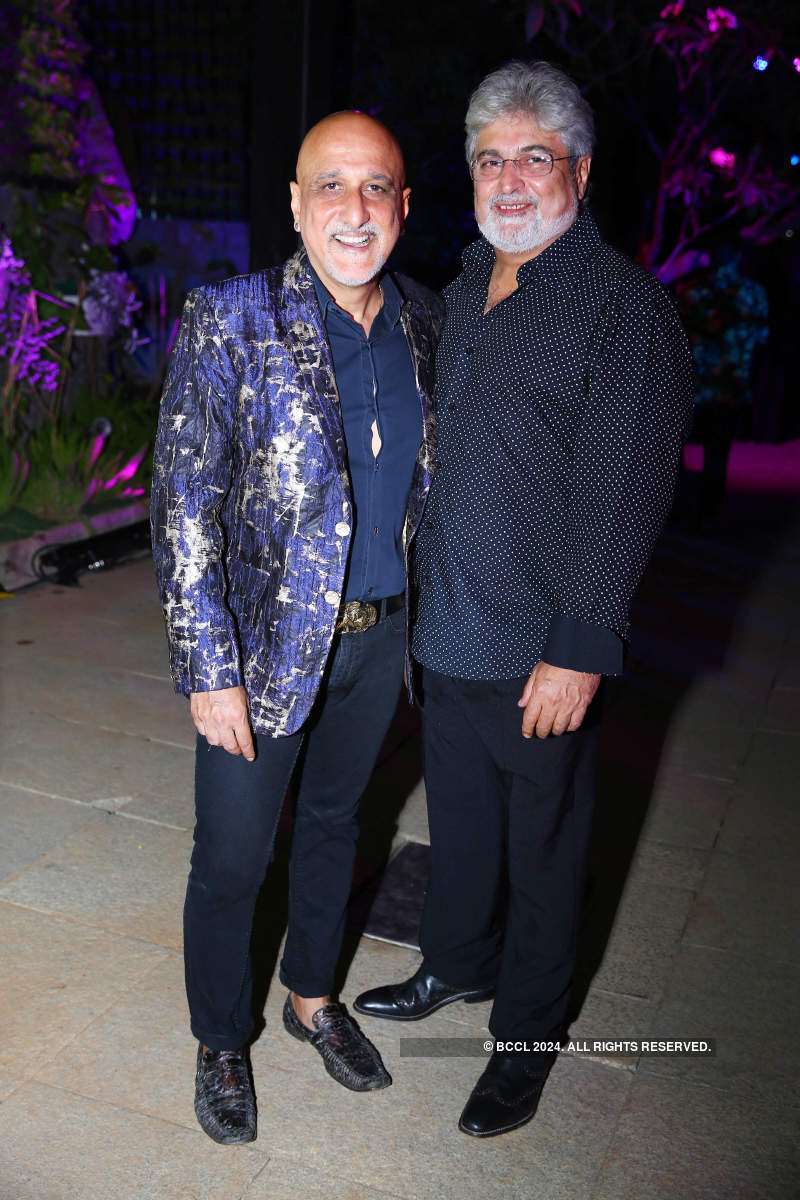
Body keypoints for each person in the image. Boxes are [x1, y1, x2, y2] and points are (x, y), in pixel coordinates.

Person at [354, 61, 695, 1138]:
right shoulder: (457, 289)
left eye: (532, 159)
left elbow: (623, 487)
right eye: (490, 160)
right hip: (444, 630)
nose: (508, 181)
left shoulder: (620, 310)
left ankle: (525, 1043)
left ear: (578, 173)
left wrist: (580, 645)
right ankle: (453, 964)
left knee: (545, 855)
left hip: (534, 647)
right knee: (458, 830)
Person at [151, 110, 442, 1145]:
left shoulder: (422, 321)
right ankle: (220, 1038)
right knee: (232, 860)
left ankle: (310, 999)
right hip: (257, 652)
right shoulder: (232, 320)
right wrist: (205, 666)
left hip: (377, 641)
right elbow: (184, 502)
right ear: (294, 201)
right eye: (331, 185)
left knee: (334, 830)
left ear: (403, 207)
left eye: (376, 187)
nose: (353, 209)